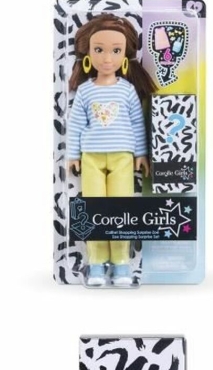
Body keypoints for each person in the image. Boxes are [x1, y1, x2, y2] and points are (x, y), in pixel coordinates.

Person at [67, 14, 156, 286]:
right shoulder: (85, 91)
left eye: (115, 51)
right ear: (88, 54)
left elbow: (137, 124)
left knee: (120, 209)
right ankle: (96, 263)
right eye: (99, 50)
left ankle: (121, 264)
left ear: (124, 56)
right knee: (94, 208)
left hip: (122, 158)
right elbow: (75, 124)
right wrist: (72, 155)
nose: (107, 58)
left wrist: (141, 154)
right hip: (91, 158)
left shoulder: (127, 90)